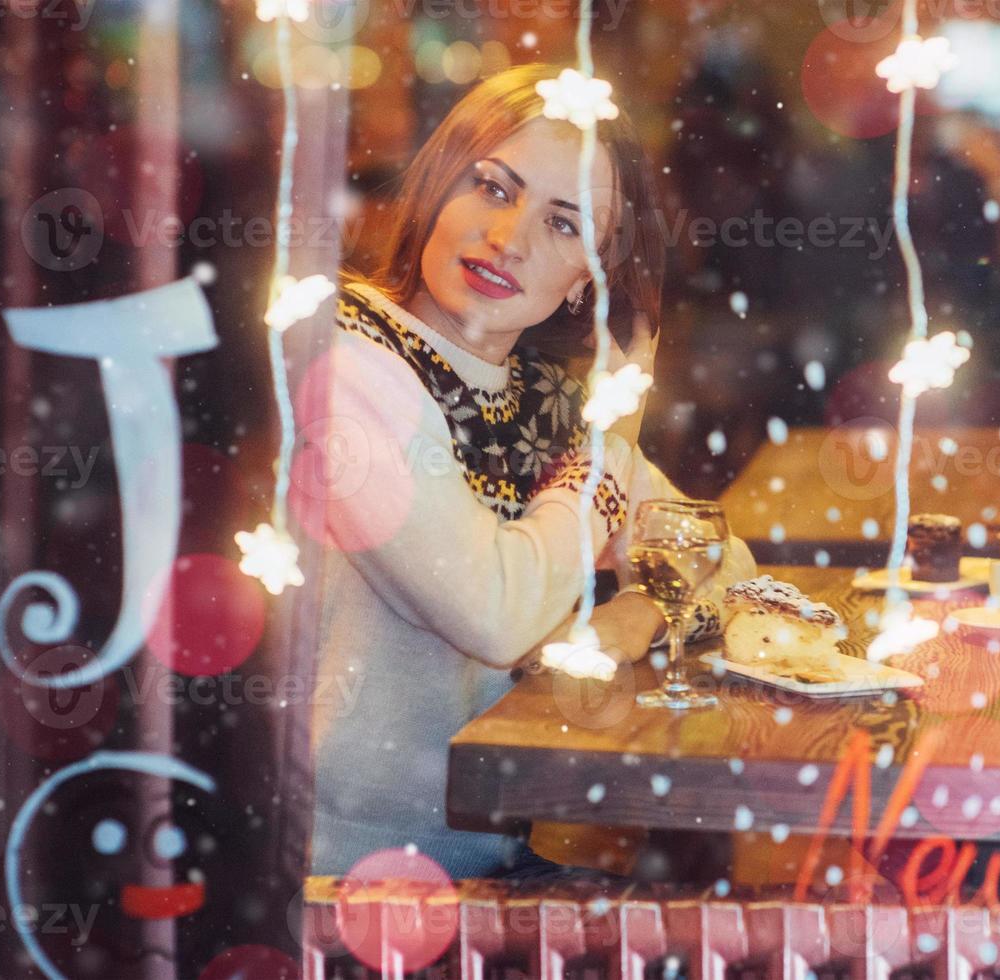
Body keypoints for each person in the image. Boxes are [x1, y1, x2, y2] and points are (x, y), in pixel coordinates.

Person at [303, 63, 756, 878]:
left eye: (562, 224)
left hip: (494, 861)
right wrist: (610, 451)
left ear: (591, 278)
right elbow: (497, 614)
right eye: (492, 187)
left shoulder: (540, 404)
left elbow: (722, 558)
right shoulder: (346, 367)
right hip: (344, 885)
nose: (507, 238)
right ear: (439, 184)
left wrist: (627, 622)